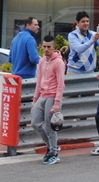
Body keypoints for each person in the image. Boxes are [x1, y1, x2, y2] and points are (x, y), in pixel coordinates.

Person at [31, 35, 66, 165]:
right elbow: (38, 80)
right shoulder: (41, 61)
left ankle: (53, 153)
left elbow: (61, 84)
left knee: (50, 126)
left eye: (48, 47)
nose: (46, 49)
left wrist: (57, 103)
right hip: (42, 95)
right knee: (35, 122)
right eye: (44, 47)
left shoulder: (59, 62)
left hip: (52, 96)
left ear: (54, 47)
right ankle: (51, 146)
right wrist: (35, 99)